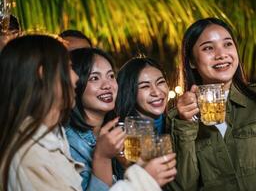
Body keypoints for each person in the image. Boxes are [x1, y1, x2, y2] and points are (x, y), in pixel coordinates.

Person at [165, 17, 256, 191]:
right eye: (208, 48)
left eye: (227, 44)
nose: (221, 54)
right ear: (191, 61)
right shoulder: (177, 120)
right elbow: (182, 187)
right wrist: (185, 125)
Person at [65, 49, 176, 190]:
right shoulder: (69, 143)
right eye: (94, 78)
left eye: (111, 76)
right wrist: (102, 158)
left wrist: (129, 166)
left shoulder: (118, 132)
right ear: (74, 84)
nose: (107, 85)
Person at [0, 34, 81, 190]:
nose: (76, 77)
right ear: (43, 74)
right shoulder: (29, 155)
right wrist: (138, 176)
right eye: (68, 67)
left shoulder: (53, 137)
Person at [115, 57, 169, 135]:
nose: (157, 92)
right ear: (129, 92)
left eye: (160, 82)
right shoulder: (121, 134)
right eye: (145, 86)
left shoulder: (177, 125)